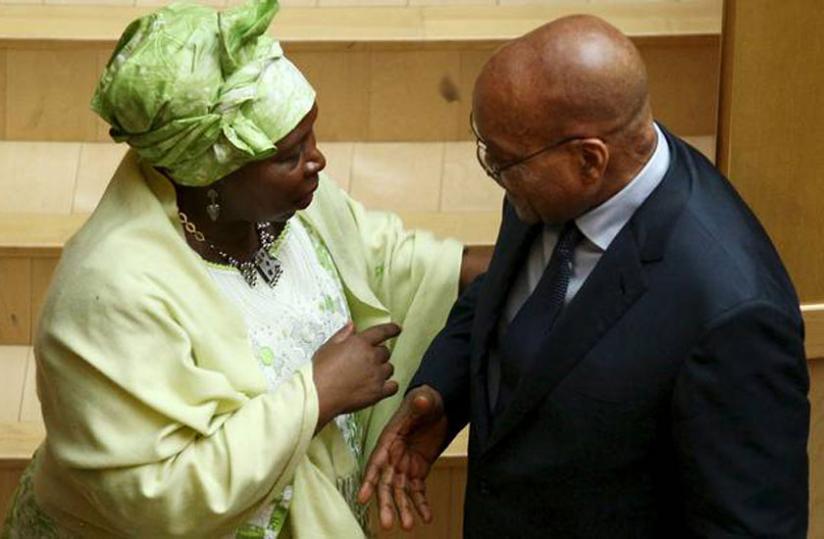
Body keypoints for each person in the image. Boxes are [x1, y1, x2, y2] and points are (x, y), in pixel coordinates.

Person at [0, 0, 489, 536]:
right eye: (289, 155)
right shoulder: (109, 295)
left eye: (312, 138)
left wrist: (499, 267)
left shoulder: (287, 207)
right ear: (210, 176)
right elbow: (154, 491)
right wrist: (317, 395)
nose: (317, 162)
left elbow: (383, 259)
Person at [359, 14, 810, 538]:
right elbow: (503, 297)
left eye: (501, 162)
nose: (494, 173)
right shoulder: (546, 182)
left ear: (589, 159)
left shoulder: (732, 313)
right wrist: (441, 393)